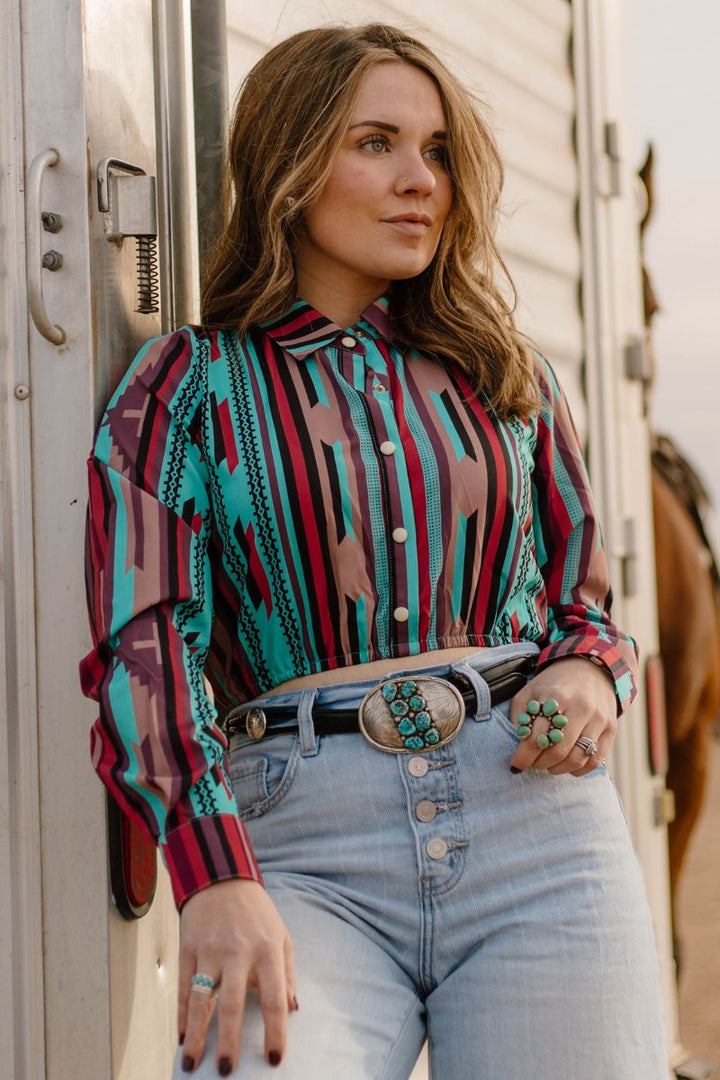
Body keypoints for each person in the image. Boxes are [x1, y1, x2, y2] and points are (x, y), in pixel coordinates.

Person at [80, 22, 667, 1080]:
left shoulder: (510, 376)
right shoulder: (186, 387)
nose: (420, 180)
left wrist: (592, 669)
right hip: (301, 849)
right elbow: (146, 646)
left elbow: (583, 603)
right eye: (376, 143)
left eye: (437, 151)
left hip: (539, 834)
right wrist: (214, 873)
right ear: (290, 163)